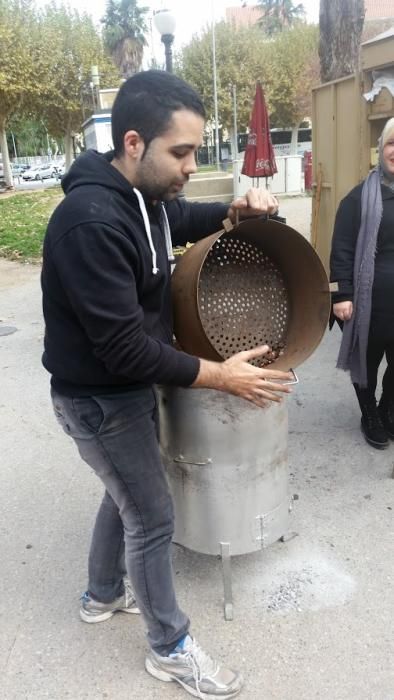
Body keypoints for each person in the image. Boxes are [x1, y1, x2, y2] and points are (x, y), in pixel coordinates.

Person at [41, 70, 294, 699]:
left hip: (119, 389)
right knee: (152, 516)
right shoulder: (90, 223)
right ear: (134, 143)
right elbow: (124, 347)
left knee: (123, 491)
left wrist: (230, 212)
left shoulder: (140, 195)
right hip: (99, 398)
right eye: (180, 152)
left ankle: (102, 595)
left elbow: (176, 216)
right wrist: (221, 377)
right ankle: (170, 647)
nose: (189, 165)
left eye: (194, 151)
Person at [330, 117, 394, 450]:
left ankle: (387, 409)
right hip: (367, 304)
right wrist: (341, 295)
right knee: (366, 364)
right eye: (391, 143)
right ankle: (369, 412)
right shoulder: (358, 200)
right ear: (380, 150)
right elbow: (341, 249)